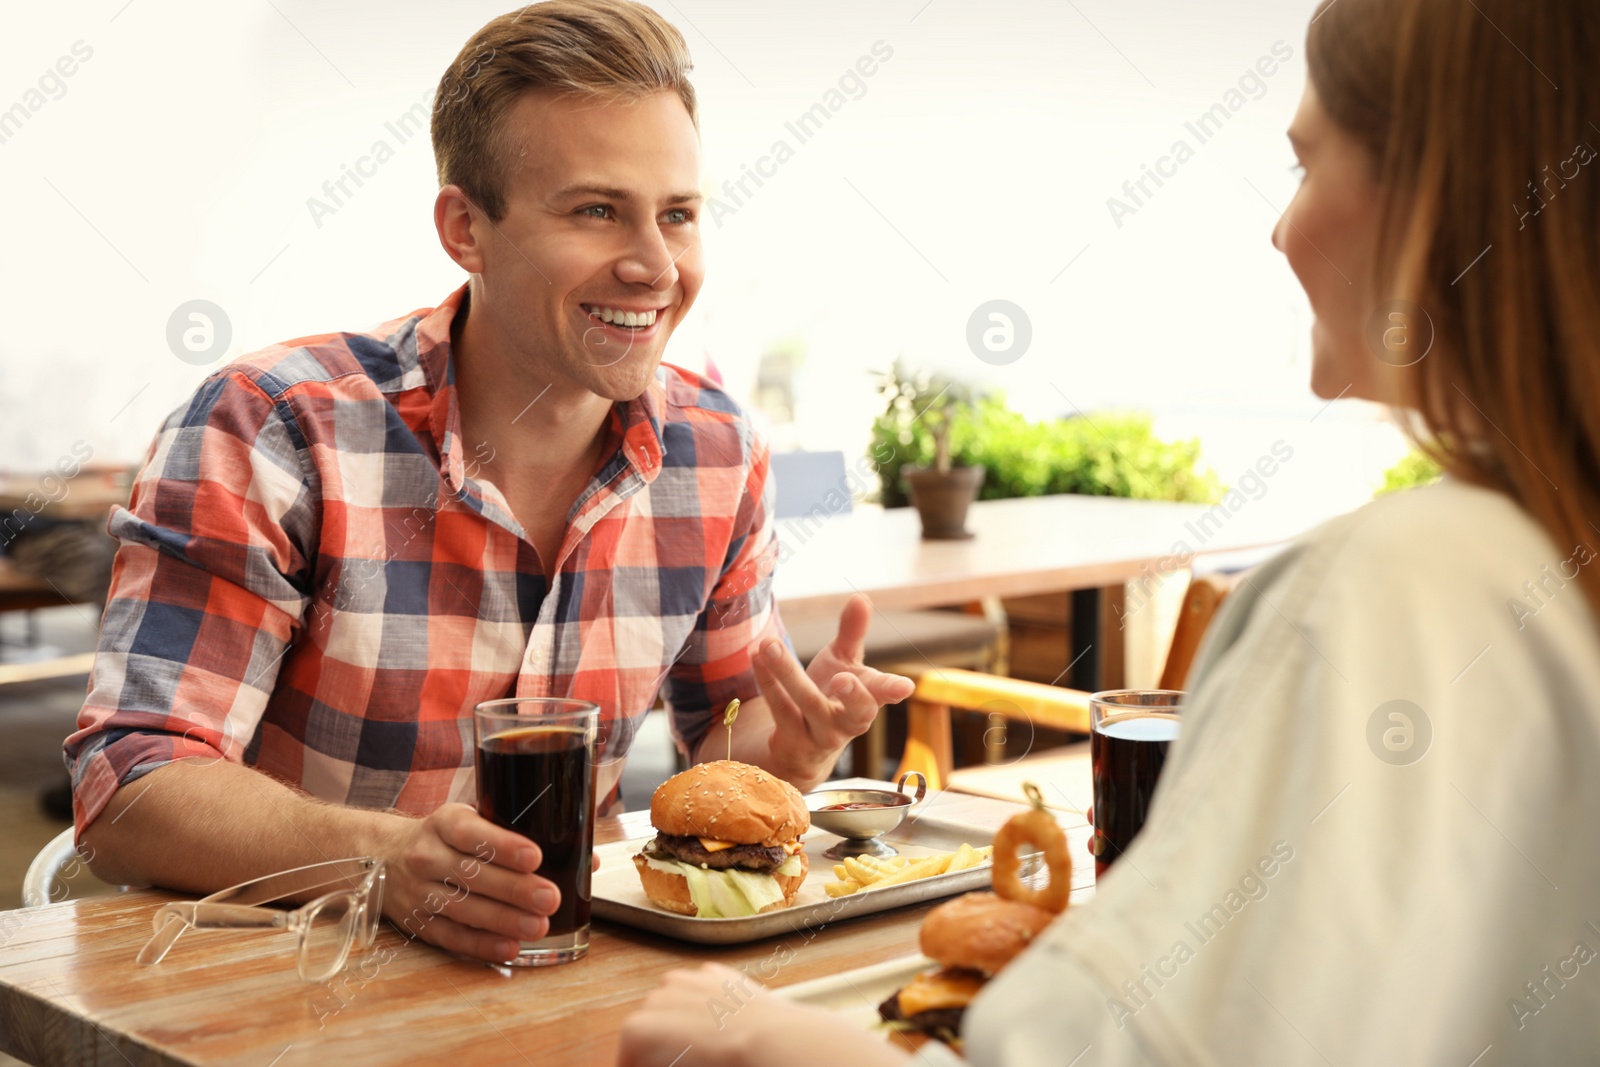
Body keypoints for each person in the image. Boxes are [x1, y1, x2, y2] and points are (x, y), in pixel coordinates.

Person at [617, 0, 1600, 1062]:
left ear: (1430, 195)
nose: (1281, 229)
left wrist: (766, 1039)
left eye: (1302, 167)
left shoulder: (1394, 584)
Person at [66, 0, 912, 967]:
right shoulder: (273, 426)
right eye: (597, 209)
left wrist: (793, 756)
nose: (654, 266)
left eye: (677, 215)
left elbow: (718, 762)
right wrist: (386, 857)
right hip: (289, 984)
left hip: (561, 983)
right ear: (465, 228)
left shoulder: (716, 452)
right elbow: (130, 782)